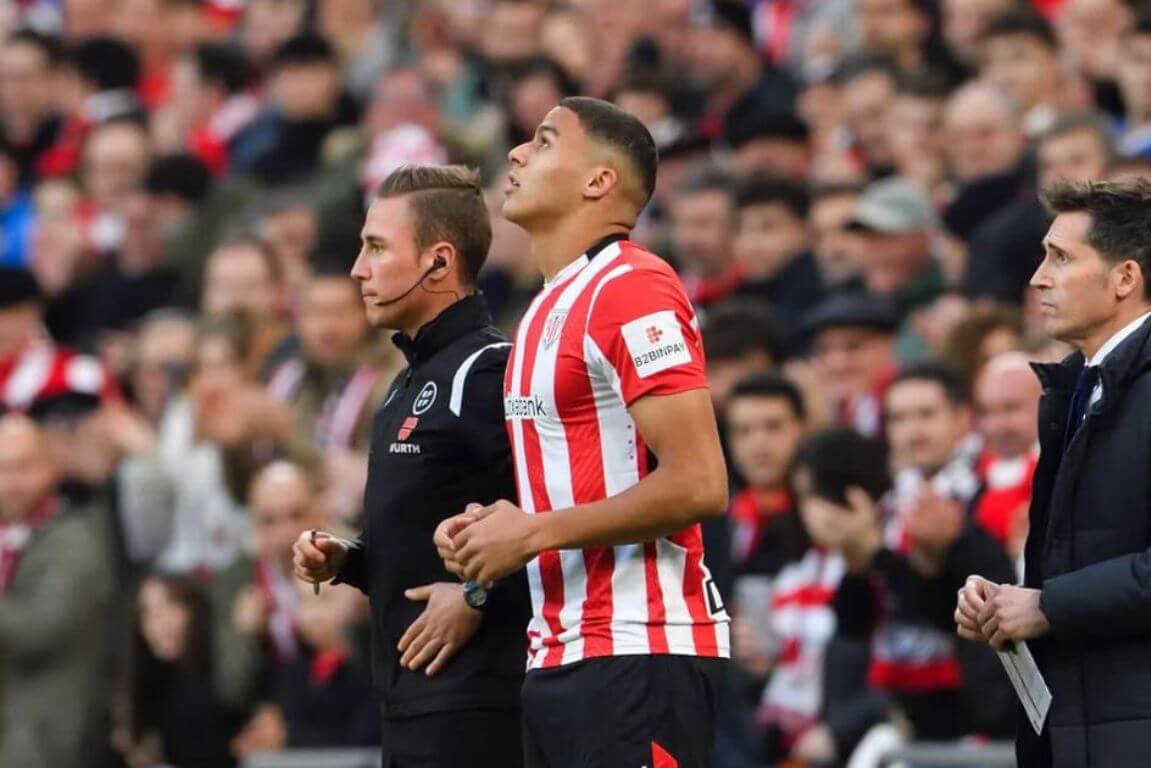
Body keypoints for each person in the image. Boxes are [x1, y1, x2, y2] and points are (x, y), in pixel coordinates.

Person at [438, 97, 731, 768]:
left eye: (541, 142)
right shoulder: (543, 308)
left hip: (637, 649)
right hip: (560, 654)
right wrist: (492, 530)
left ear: (598, 182)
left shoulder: (631, 285)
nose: (514, 154)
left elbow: (699, 482)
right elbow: (584, 483)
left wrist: (533, 533)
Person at [292, 165, 529, 768]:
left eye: (375, 248)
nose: (358, 269)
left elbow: (560, 521)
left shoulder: (487, 372)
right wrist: (350, 559)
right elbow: (426, 550)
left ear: (439, 262)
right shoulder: (407, 381)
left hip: (480, 704)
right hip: (408, 701)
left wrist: (478, 596)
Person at [957, 179, 1151, 768]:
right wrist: (1007, 600)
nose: (1039, 277)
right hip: (1084, 727)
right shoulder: (1080, 389)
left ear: (1124, 278)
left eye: (1061, 258)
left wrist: (1049, 605)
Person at [0, 414, 114, 768]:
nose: (10, 482)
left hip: (47, 740)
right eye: (2, 469)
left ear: (51, 469)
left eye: (23, 467)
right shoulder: (9, 537)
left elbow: (39, 630)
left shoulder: (77, 539)